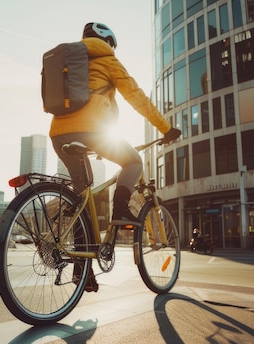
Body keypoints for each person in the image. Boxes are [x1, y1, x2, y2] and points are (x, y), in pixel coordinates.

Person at [50, 22, 181, 225]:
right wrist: (166, 128)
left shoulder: (70, 61)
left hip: (58, 133)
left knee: (81, 195)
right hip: (91, 131)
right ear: (108, 42)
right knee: (134, 162)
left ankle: (79, 254)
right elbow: (137, 98)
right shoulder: (108, 60)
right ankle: (120, 210)